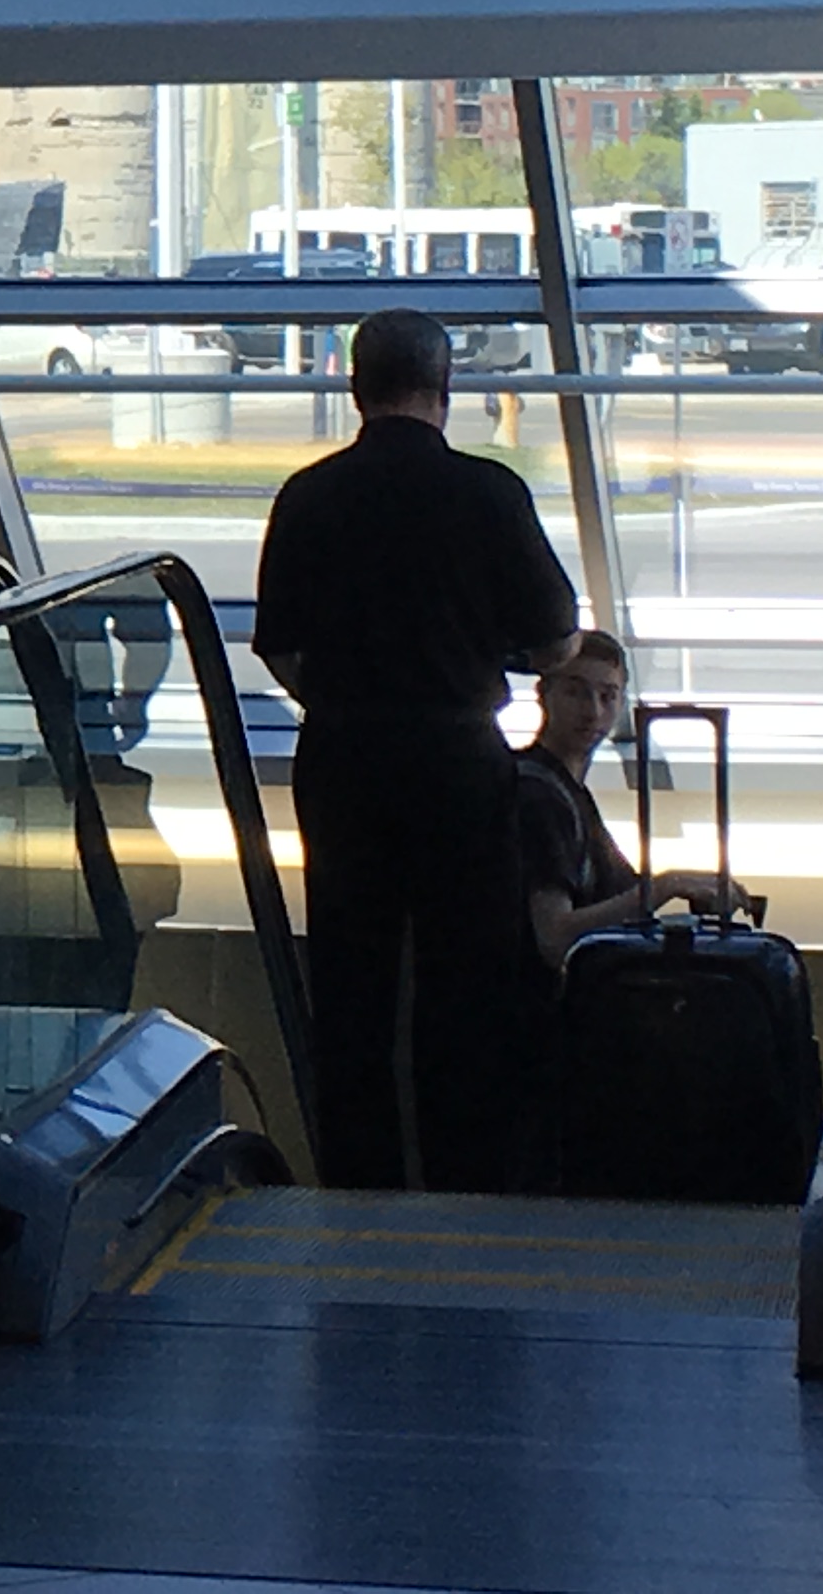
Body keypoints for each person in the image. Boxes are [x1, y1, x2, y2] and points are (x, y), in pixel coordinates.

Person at [249, 305, 583, 1193]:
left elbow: (279, 646)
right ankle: (464, 1183)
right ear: (447, 387)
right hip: (459, 760)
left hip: (345, 758)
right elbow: (555, 640)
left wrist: (347, 700)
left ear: (354, 387)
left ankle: (357, 1187)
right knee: (463, 985)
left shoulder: (309, 494)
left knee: (352, 987)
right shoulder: (489, 492)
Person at [513, 630, 723, 977]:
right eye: (576, 692)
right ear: (544, 694)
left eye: (607, 696)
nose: (592, 710)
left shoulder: (568, 793)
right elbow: (553, 937)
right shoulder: (539, 795)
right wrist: (665, 886)